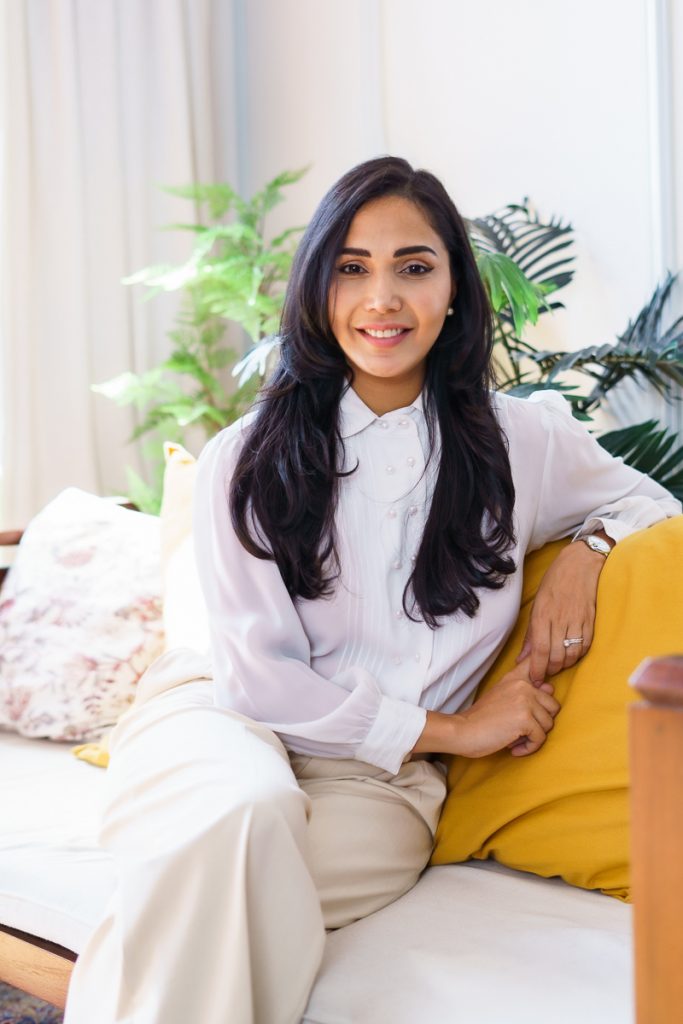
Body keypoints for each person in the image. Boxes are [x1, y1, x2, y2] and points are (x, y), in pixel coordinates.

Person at [64, 157, 680, 1024]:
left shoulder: (523, 442)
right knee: (246, 812)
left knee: (194, 905)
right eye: (351, 268)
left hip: (383, 787)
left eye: (413, 267)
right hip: (222, 719)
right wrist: (458, 730)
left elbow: (645, 498)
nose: (381, 298)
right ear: (318, 288)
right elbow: (257, 679)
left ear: (455, 291)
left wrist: (586, 553)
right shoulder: (245, 454)